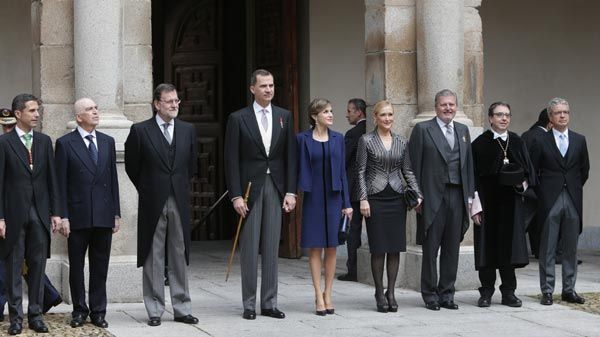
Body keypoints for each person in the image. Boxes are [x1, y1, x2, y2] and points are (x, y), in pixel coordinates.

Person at [224, 69, 297, 320]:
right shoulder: (238, 118)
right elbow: (231, 160)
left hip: (275, 187)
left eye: (272, 85)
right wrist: (235, 196)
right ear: (252, 88)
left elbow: (290, 157)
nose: (269, 89)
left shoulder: (284, 117)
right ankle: (248, 303)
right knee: (250, 247)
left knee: (270, 247)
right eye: (264, 86)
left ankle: (269, 303)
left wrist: (290, 192)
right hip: (249, 189)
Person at [125, 84, 199, 326]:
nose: (174, 105)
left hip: (179, 197)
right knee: (153, 254)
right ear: (157, 104)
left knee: (179, 252)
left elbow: (191, 166)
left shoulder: (188, 130)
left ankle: (182, 307)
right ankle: (155, 309)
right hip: (152, 200)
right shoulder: (140, 131)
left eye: (177, 101)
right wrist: (148, 188)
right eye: (169, 101)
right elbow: (132, 166)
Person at [55, 98, 121, 328]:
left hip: (103, 214)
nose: (95, 112)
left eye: (96, 108)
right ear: (78, 117)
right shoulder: (65, 143)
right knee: (76, 266)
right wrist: (62, 216)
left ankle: (98, 311)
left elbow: (113, 179)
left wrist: (116, 213)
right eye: (89, 109)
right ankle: (79, 310)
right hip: (77, 216)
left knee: (100, 266)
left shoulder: (107, 141)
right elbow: (60, 184)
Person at [0, 94, 61, 335]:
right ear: (18, 114)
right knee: (14, 268)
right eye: (32, 111)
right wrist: (1, 217)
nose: (37, 114)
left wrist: (56, 213)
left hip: (40, 214)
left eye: (38, 110)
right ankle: (16, 318)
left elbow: (52, 180)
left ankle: (36, 315)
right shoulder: (3, 144)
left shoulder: (45, 142)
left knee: (37, 266)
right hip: (14, 215)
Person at [408, 89, 474, 311]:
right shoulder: (422, 129)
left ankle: (447, 293)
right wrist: (416, 195)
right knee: (430, 247)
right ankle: (430, 294)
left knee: (451, 248)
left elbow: (469, 168)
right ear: (436, 106)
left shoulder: (463, 131)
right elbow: (413, 165)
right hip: (432, 196)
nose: (448, 108)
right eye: (444, 104)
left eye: (452, 105)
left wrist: (471, 198)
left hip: (458, 195)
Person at [356, 101, 422, 313]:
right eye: (383, 115)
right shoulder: (365, 140)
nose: (387, 118)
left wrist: (417, 194)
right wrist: (363, 199)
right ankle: (378, 290)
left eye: (390, 115)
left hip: (397, 198)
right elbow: (360, 171)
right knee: (378, 248)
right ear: (375, 117)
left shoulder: (401, 141)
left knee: (394, 247)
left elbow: (408, 171)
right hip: (374, 198)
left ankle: (391, 292)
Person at [470, 102, 535, 308]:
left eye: (507, 115)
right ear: (490, 118)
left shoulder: (517, 141)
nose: (504, 118)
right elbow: (473, 177)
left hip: (511, 204)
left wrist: (520, 183)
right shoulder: (479, 144)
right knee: (487, 249)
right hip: (488, 204)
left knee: (509, 249)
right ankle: (486, 292)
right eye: (499, 115)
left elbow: (528, 171)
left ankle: (509, 292)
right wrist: (475, 206)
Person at [530, 97, 589, 306]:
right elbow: (533, 172)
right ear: (550, 117)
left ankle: (569, 289)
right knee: (547, 247)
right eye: (558, 112)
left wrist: (572, 186)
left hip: (573, 197)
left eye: (565, 112)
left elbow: (584, 170)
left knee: (571, 247)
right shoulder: (540, 140)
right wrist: (544, 192)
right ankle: (547, 290)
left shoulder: (579, 140)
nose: (562, 115)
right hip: (549, 199)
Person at [297, 98, 352, 315]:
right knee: (314, 247)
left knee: (332, 247)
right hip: (312, 198)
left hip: (334, 198)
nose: (330, 114)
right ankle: (317, 294)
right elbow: (297, 167)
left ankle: (329, 293)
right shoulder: (302, 139)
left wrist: (347, 204)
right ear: (314, 116)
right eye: (326, 111)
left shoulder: (338, 139)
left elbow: (342, 174)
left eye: (331, 111)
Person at [338, 98, 366, 282]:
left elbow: (344, 160)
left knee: (353, 228)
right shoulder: (372, 130)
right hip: (372, 187)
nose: (347, 114)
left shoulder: (353, 133)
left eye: (350, 111)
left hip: (355, 186)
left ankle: (353, 269)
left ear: (359, 112)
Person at [520, 109, 550, 259]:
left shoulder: (527, 134)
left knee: (530, 219)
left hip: (526, 185)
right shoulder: (544, 137)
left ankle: (536, 250)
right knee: (533, 219)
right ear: (550, 122)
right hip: (538, 186)